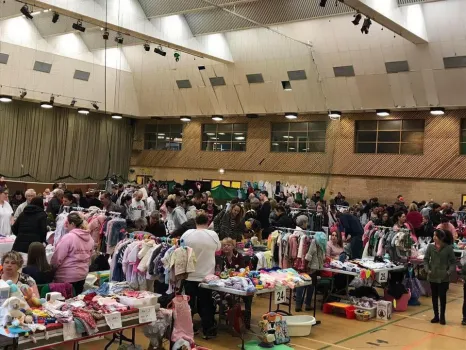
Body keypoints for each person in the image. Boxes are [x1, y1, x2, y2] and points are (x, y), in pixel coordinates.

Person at [181, 212, 221, 339]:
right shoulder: (213, 235)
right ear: (207, 223)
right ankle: (207, 330)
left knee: (189, 304)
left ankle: (187, 329)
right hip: (207, 276)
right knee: (207, 304)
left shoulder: (187, 234)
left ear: (195, 222)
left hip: (190, 275)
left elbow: (180, 249)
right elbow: (218, 249)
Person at [51, 212, 94, 294]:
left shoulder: (69, 237)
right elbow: (90, 257)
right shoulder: (89, 238)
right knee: (76, 302)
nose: (66, 227)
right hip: (82, 274)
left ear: (73, 224)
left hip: (66, 276)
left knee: (63, 302)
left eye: (68, 223)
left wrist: (52, 269)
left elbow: (57, 258)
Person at [216, 237, 253, 329]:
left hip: (238, 281)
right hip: (225, 282)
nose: (226, 247)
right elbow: (218, 271)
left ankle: (247, 317)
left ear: (233, 246)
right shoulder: (219, 257)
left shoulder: (238, 256)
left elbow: (243, 269)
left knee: (249, 295)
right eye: (224, 245)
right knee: (226, 295)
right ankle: (233, 313)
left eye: (228, 245)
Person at [424, 229, 456, 325]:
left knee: (442, 297)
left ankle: (442, 316)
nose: (434, 237)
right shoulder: (430, 247)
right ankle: (436, 316)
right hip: (432, 276)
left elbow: (453, 262)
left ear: (441, 237)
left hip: (443, 277)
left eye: (436, 236)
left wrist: (448, 272)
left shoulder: (448, 248)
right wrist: (427, 269)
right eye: (433, 235)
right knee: (434, 297)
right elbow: (425, 259)